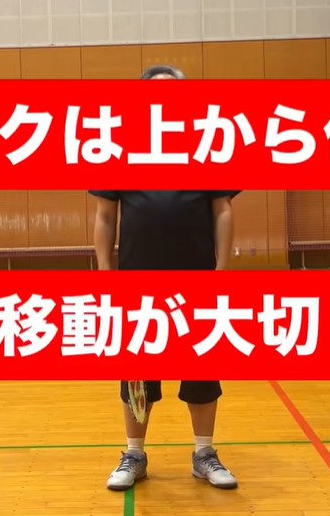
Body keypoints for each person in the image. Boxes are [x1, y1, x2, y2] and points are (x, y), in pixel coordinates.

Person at [90, 64, 239, 492]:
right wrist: (105, 273)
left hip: (197, 278)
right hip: (137, 281)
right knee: (137, 370)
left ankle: (204, 453)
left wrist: (222, 271)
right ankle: (134, 454)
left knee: (202, 366)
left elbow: (223, 210)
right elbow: (104, 217)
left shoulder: (207, 144)